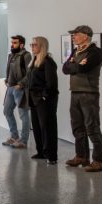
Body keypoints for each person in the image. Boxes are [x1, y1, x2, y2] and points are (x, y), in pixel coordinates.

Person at [63, 25, 102, 172]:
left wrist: (74, 65)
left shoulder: (95, 52)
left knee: (92, 127)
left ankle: (98, 161)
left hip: (89, 93)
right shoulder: (76, 51)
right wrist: (74, 64)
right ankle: (81, 156)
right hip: (74, 92)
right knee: (77, 127)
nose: (73, 37)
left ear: (85, 36)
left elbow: (83, 68)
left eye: (76, 34)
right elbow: (64, 69)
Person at [26, 36, 59, 165]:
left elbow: (51, 83)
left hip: (43, 99)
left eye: (35, 45)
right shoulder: (34, 61)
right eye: (31, 44)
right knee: (37, 127)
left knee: (47, 127)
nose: (32, 47)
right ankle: (41, 152)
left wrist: (44, 96)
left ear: (42, 46)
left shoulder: (47, 62)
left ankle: (51, 155)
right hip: (34, 99)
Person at [2, 35, 32, 149]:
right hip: (10, 87)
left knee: (23, 115)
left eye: (15, 42)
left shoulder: (26, 55)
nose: (12, 44)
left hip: (21, 89)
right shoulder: (11, 55)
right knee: (7, 111)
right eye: (12, 42)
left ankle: (23, 141)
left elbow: (30, 72)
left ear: (21, 44)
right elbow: (10, 70)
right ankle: (14, 137)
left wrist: (21, 84)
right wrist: (6, 79)